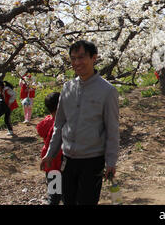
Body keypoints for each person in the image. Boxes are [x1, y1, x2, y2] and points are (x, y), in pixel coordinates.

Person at [40, 40, 120, 205]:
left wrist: (111, 161)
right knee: (68, 200)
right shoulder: (67, 87)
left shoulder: (107, 91)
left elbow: (112, 129)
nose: (77, 62)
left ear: (94, 58)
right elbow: (59, 124)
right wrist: (51, 152)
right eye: (73, 58)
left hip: (92, 160)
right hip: (67, 158)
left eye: (81, 57)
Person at [36, 92, 63, 205]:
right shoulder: (65, 122)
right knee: (67, 194)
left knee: (53, 194)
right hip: (63, 164)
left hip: (50, 165)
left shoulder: (45, 122)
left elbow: (40, 131)